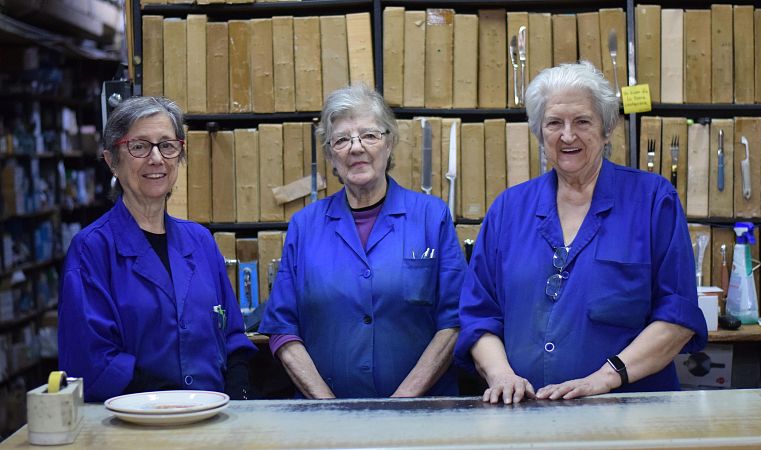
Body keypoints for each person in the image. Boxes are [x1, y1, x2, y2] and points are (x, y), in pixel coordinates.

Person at [455, 62, 708, 404]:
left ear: (607, 129)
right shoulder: (507, 209)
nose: (568, 135)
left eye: (583, 121)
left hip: (629, 414)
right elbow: (480, 315)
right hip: (527, 415)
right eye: (554, 123)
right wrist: (501, 374)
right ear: (539, 133)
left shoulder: (653, 200)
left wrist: (603, 379)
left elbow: (677, 317)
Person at [260, 84, 466, 398]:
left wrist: (401, 403)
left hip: (422, 417)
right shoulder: (305, 226)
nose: (356, 148)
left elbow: (455, 321)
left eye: (369, 135)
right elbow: (281, 328)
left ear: (390, 142)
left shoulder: (431, 216)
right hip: (327, 423)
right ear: (330, 154)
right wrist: (327, 406)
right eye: (342, 139)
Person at [58, 96, 256, 402]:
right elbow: (92, 360)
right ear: (112, 160)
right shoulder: (91, 249)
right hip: (135, 427)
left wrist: (238, 396)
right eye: (139, 146)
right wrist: (175, 402)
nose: (156, 158)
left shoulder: (200, 241)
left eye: (167, 145)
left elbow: (232, 336)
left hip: (213, 420)